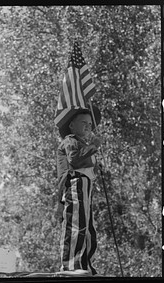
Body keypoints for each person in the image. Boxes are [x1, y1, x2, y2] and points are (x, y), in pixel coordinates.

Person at [55, 105, 102, 276]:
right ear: (72, 126)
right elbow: (74, 159)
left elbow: (88, 165)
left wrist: (96, 163)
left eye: (90, 123)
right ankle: (70, 265)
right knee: (76, 223)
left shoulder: (83, 144)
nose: (88, 126)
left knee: (88, 226)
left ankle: (84, 263)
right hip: (75, 183)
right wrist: (93, 147)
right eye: (83, 122)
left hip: (86, 185)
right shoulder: (70, 140)